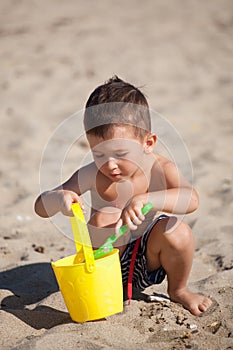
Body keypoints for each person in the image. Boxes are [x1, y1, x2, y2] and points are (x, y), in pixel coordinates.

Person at [35, 76, 212, 316]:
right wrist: (59, 198)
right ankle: (109, 291)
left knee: (177, 231)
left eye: (120, 154)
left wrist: (147, 200)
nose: (109, 165)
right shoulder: (91, 174)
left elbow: (191, 199)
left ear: (147, 143)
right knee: (104, 216)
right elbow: (40, 206)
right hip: (105, 264)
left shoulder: (159, 168)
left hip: (147, 257)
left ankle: (179, 290)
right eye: (99, 154)